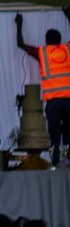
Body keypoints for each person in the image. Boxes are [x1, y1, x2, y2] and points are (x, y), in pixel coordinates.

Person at [15, 14, 70, 165]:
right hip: (69, 101)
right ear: (60, 40)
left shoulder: (42, 52)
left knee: (54, 136)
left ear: (46, 41)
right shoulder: (67, 49)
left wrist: (19, 24)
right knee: (68, 134)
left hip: (53, 103)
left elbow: (20, 44)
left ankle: (55, 163)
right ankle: (67, 163)